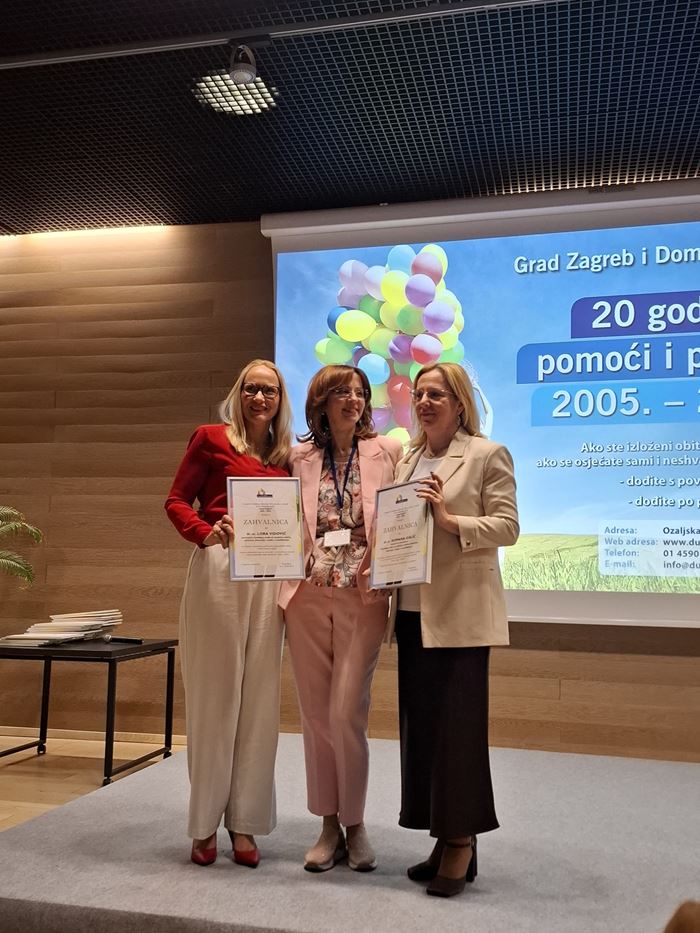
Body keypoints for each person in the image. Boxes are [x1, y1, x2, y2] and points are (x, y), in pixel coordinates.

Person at [391, 362, 519, 898]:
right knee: (423, 732)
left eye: (436, 395)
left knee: (458, 733)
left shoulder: (488, 454)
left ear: (460, 403)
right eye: (419, 394)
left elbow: (508, 527)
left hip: (462, 615)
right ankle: (444, 837)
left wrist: (450, 522)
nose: (424, 402)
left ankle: (462, 840)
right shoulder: (408, 457)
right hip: (412, 611)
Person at [164, 359, 293, 868]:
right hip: (220, 570)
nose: (260, 398)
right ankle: (203, 825)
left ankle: (245, 822)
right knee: (215, 699)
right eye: (252, 389)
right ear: (239, 393)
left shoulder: (286, 456)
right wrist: (205, 532)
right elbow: (177, 501)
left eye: (270, 391)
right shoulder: (210, 438)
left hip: (269, 578)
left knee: (259, 702)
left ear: (280, 400)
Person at [279, 364, 402, 873]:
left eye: (359, 392)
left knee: (346, 711)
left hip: (362, 596)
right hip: (306, 595)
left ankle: (356, 822)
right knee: (315, 714)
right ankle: (328, 824)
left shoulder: (387, 451)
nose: (353, 400)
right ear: (321, 403)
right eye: (342, 392)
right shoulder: (298, 458)